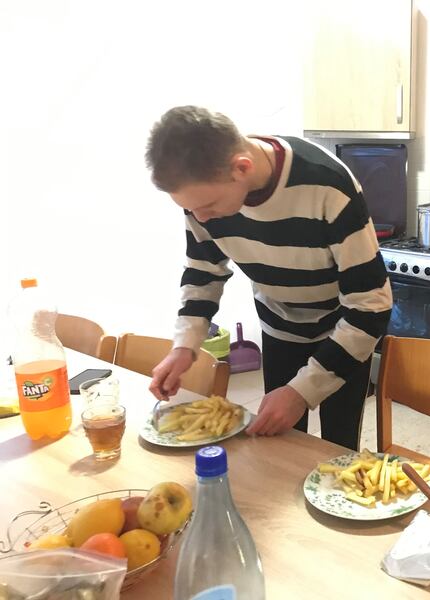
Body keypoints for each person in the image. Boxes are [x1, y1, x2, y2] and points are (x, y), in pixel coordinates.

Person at [144, 106, 391, 450]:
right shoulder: (203, 195)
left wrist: (301, 392)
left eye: (208, 206)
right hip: (279, 325)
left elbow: (371, 307)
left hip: (344, 331)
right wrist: (185, 346)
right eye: (189, 209)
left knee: (339, 446)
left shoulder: (328, 184)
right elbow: (203, 272)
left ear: (241, 168)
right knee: (281, 443)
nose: (200, 218)